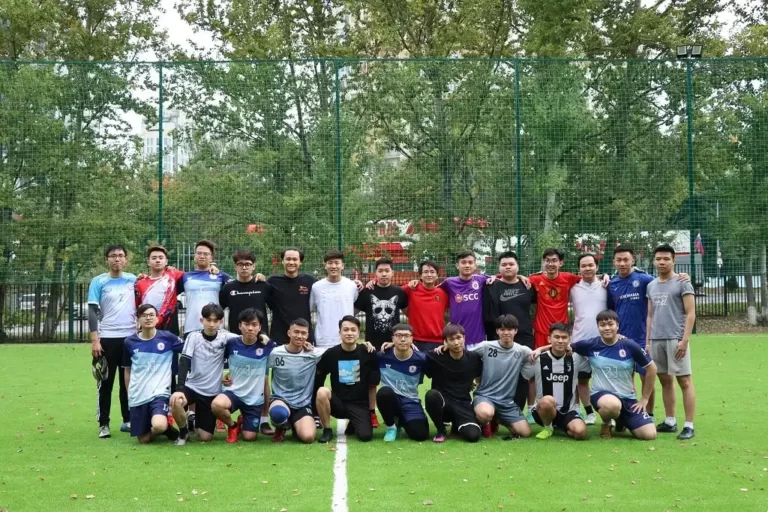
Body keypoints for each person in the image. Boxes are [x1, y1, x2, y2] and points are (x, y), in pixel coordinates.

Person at [608, 244, 690, 421]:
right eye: (618, 260)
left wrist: (682, 276)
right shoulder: (611, 284)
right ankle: (626, 412)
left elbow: (665, 282)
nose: (622, 263)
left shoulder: (645, 280)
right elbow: (610, 311)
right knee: (625, 378)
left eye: (626, 260)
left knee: (647, 377)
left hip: (644, 338)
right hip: (621, 339)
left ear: (633, 260)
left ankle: (648, 414)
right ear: (613, 262)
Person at [568, 310, 657, 440]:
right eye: (602, 325)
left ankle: (621, 420)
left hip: (628, 399)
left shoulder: (629, 345)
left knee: (649, 434)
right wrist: (540, 350)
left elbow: (652, 368)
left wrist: (644, 398)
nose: (607, 328)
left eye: (610, 324)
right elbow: (564, 347)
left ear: (617, 326)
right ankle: (607, 423)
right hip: (601, 396)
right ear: (598, 327)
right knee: (612, 405)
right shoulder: (591, 344)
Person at [646, 244, 697, 440]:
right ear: (654, 261)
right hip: (656, 339)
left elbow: (690, 313)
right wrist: (648, 341)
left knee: (684, 380)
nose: (662, 262)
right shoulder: (651, 285)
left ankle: (689, 425)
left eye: (666, 259)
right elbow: (650, 315)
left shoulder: (683, 282)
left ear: (673, 260)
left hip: (675, 338)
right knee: (664, 380)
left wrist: (685, 340)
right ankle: (670, 421)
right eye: (658, 259)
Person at [170, 303, 236, 445]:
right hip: (192, 387)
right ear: (202, 320)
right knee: (176, 401)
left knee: (205, 437)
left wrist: (261, 336)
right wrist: (179, 389)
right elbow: (184, 362)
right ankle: (183, 432)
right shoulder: (193, 337)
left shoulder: (226, 337)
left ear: (221, 322)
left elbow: (247, 339)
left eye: (215, 321)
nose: (212, 324)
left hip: (211, 392)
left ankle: (192, 420)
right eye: (208, 320)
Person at [89, 244, 137, 438]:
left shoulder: (133, 280)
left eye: (120, 255)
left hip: (130, 338)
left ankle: (128, 420)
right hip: (107, 339)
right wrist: (95, 340)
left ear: (126, 259)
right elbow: (92, 311)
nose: (117, 259)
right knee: (106, 383)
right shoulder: (98, 281)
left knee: (127, 383)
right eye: (113, 256)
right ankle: (104, 424)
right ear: (106, 259)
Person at [483, 251, 537, 419]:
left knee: (523, 375)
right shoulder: (491, 285)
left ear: (517, 267)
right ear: (499, 268)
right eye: (504, 264)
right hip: (499, 339)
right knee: (499, 375)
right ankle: (496, 413)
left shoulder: (528, 286)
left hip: (524, 336)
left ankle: (518, 411)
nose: (508, 267)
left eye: (511, 264)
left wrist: (522, 277)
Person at [355, 257, 409, 427]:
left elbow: (411, 314)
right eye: (380, 271)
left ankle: (397, 413)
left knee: (396, 381)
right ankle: (371, 413)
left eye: (387, 270)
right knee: (371, 382)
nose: (384, 274)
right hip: (372, 345)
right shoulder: (367, 292)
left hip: (394, 345)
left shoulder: (399, 292)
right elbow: (351, 314)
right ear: (375, 273)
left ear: (393, 273)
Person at [211, 308, 276, 443]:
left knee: (249, 437)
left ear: (260, 327)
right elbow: (215, 362)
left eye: (254, 325)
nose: (250, 328)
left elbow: (285, 351)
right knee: (217, 405)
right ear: (240, 326)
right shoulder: (231, 343)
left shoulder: (267, 345)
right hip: (233, 392)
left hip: (254, 399)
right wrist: (222, 377)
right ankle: (233, 426)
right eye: (246, 324)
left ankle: (243, 421)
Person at [122, 304, 183, 443]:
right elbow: (127, 370)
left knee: (158, 425)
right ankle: (166, 429)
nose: (148, 318)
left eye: (151, 315)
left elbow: (188, 350)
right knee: (143, 440)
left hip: (160, 392)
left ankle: (163, 426)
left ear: (157, 318)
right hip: (138, 394)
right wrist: (129, 394)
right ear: (138, 319)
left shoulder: (168, 338)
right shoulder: (129, 342)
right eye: (144, 316)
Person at [315, 316, 380, 443]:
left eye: (353, 330)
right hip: (338, 403)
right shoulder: (331, 353)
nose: (349, 333)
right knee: (322, 391)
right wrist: (315, 407)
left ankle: (354, 423)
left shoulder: (367, 352)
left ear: (358, 333)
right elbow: (319, 378)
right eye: (345, 330)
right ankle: (327, 430)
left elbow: (373, 384)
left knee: (365, 436)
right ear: (340, 333)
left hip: (359, 404)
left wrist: (371, 411)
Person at [471, 315, 534, 439]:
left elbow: (540, 356)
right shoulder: (486, 346)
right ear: (497, 331)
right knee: (485, 413)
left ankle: (498, 419)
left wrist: (541, 349)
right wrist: (444, 347)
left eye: (510, 329)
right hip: (485, 396)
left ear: (516, 331)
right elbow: (464, 355)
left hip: (507, 402)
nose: (506, 332)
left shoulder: (522, 351)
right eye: (502, 329)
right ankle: (485, 421)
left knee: (525, 433)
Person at [521, 323, 588, 440]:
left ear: (569, 340)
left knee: (580, 433)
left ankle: (561, 425)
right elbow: (523, 376)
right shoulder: (538, 359)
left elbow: (588, 371)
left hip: (568, 411)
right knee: (548, 400)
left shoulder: (576, 358)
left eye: (564, 337)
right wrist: (540, 349)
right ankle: (548, 427)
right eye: (556, 337)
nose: (560, 341)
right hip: (543, 410)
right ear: (549, 339)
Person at [423, 324, 482, 443]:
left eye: (459, 338)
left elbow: (479, 380)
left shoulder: (474, 358)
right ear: (445, 342)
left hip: (463, 404)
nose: (456, 343)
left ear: (464, 338)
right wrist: (395, 345)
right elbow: (414, 355)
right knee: (431, 395)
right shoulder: (436, 356)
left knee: (473, 436)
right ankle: (441, 430)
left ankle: (457, 425)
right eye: (451, 339)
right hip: (444, 405)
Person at [267, 318, 321, 443]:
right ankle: (281, 426)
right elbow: (260, 369)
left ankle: (293, 424)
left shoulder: (313, 354)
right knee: (278, 413)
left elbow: (336, 352)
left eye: (303, 333)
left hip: (303, 404)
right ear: (289, 333)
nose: (299, 336)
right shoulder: (275, 353)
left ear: (307, 335)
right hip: (281, 400)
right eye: (296, 332)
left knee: (308, 437)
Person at [569, 253, 606, 426]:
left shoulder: (606, 285)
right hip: (580, 341)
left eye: (591, 265)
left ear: (597, 267)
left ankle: (608, 413)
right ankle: (589, 412)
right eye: (583, 265)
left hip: (603, 342)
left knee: (605, 380)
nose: (587, 268)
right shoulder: (573, 288)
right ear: (579, 269)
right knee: (581, 379)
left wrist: (606, 277)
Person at [376, 324, 430, 442]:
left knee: (420, 435)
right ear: (392, 338)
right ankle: (391, 427)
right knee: (384, 392)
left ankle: (401, 420)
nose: (403, 339)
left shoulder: (421, 358)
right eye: (398, 335)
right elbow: (362, 353)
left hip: (411, 401)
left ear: (412, 338)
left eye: (406, 336)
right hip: (391, 400)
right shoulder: (381, 355)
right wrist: (366, 344)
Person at [437, 251, 493, 346]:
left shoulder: (481, 280)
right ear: (457, 265)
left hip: (479, 340)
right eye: (463, 262)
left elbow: (502, 278)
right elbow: (431, 290)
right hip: (456, 340)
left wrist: (519, 277)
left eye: (470, 262)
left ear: (475, 265)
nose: (467, 265)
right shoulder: (449, 282)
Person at [178, 240, 231, 337]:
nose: (202, 256)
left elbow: (237, 285)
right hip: (191, 327)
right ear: (194, 256)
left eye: (206, 254)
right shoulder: (185, 276)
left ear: (212, 258)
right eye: (199, 253)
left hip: (215, 327)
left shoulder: (220, 275)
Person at [309, 250, 359, 350]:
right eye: (330, 263)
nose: (333, 266)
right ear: (325, 265)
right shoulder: (316, 287)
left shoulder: (352, 286)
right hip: (323, 341)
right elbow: (309, 309)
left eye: (337, 263)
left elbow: (356, 306)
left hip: (346, 340)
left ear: (342, 266)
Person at [267, 248, 317, 346]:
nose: (291, 262)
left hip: (303, 336)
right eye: (288, 259)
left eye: (295, 259)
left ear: (300, 262)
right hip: (279, 336)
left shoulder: (310, 281)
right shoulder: (272, 281)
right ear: (282, 261)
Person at [219, 250, 273, 335]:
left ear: (253, 266)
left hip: (260, 336)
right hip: (236, 337)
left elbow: (274, 308)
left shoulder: (263, 286)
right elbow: (218, 311)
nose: (244, 268)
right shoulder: (227, 288)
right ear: (235, 267)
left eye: (247, 264)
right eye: (240, 264)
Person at [134, 245, 184, 335]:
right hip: (148, 329)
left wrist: (210, 269)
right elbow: (134, 307)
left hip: (169, 328)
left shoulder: (173, 275)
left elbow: (192, 277)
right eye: (154, 258)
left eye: (161, 258)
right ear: (148, 262)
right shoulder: (140, 283)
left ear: (166, 261)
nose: (157, 260)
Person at [403, 260, 449, 352]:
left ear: (437, 275)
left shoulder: (443, 294)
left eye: (432, 272)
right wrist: (375, 281)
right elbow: (390, 290)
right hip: (415, 341)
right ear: (420, 275)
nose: (429, 275)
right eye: (425, 272)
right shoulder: (411, 289)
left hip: (438, 342)